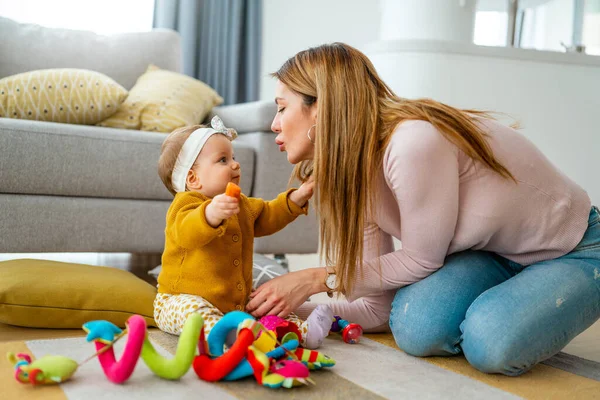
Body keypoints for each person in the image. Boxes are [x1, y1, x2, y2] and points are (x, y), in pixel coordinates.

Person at [245, 43, 600, 375]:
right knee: (416, 329)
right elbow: (376, 311)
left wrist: (311, 280)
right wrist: (274, 311)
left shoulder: (411, 142)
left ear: (320, 110)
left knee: (489, 343)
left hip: (573, 248)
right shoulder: (355, 175)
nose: (274, 123)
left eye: (281, 107)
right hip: (490, 253)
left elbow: (421, 259)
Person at [154, 116, 333, 349]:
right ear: (193, 179)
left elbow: (267, 215)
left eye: (233, 158)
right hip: (178, 300)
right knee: (195, 313)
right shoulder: (185, 204)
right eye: (222, 160)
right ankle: (227, 336)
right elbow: (186, 233)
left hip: (233, 304)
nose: (235, 165)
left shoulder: (241, 204)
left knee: (265, 309)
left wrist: (298, 197)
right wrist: (210, 214)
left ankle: (302, 331)